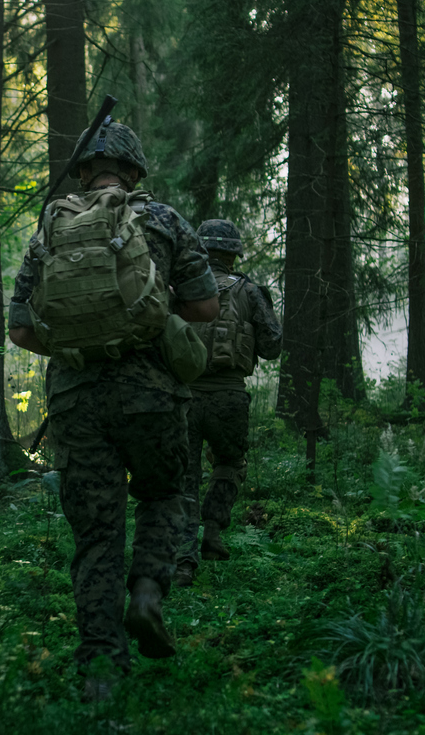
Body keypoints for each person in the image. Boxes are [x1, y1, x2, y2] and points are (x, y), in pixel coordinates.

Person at [8, 121, 218, 699]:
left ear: (82, 170)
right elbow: (204, 306)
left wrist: (78, 344)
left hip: (77, 401)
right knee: (164, 494)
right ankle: (148, 591)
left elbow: (21, 326)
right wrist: (151, 309)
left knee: (97, 536)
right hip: (151, 394)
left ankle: (100, 668)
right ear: (133, 170)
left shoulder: (51, 227)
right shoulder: (165, 221)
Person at [173, 219, 282, 587]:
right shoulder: (249, 291)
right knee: (230, 463)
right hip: (229, 397)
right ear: (234, 255)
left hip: (184, 396)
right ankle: (214, 532)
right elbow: (272, 347)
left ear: (202, 251)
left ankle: (183, 560)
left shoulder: (182, 289)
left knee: (184, 476)